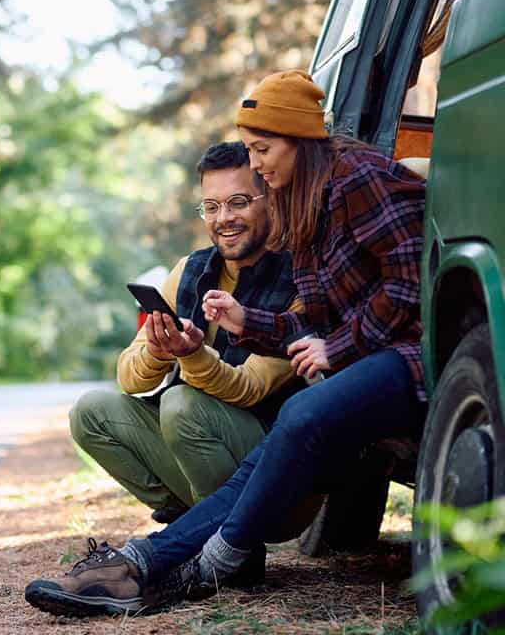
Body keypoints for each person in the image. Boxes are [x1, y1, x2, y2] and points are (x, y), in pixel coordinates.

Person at [24, 69, 428, 618]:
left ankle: (179, 568)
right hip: (365, 364)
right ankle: (154, 562)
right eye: (212, 205)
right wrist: (246, 321)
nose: (257, 162)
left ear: (300, 142)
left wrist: (337, 346)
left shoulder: (358, 176)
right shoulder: (302, 209)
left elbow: (412, 284)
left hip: (415, 356)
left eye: (263, 149)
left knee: (296, 414)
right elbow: (309, 326)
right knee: (261, 444)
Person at [70, 141, 303, 533]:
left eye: (239, 202)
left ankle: (232, 544)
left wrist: (193, 355)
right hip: (197, 450)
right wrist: (158, 352)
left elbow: (249, 388)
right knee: (91, 411)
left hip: (274, 471)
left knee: (180, 402)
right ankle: (190, 525)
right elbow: (128, 376)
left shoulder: (300, 276)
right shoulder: (190, 269)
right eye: (211, 207)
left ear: (270, 199)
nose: (223, 218)